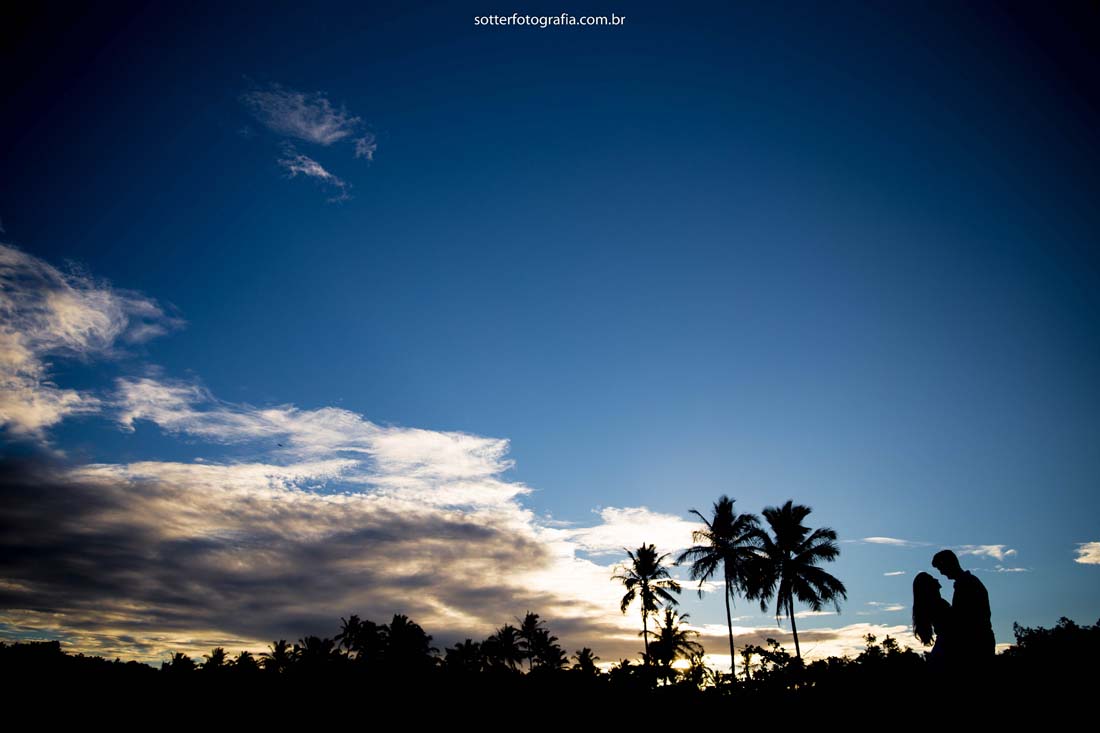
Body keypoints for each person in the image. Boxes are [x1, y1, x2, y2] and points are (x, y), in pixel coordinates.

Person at [932, 549, 995, 665]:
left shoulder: (967, 584)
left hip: (976, 643)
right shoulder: (967, 583)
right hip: (978, 641)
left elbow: (963, 617)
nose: (941, 573)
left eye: (941, 568)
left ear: (949, 564)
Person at [912, 571, 954, 670]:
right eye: (932, 579)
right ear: (928, 586)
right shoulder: (937, 604)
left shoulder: (935, 604)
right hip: (947, 648)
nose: (936, 579)